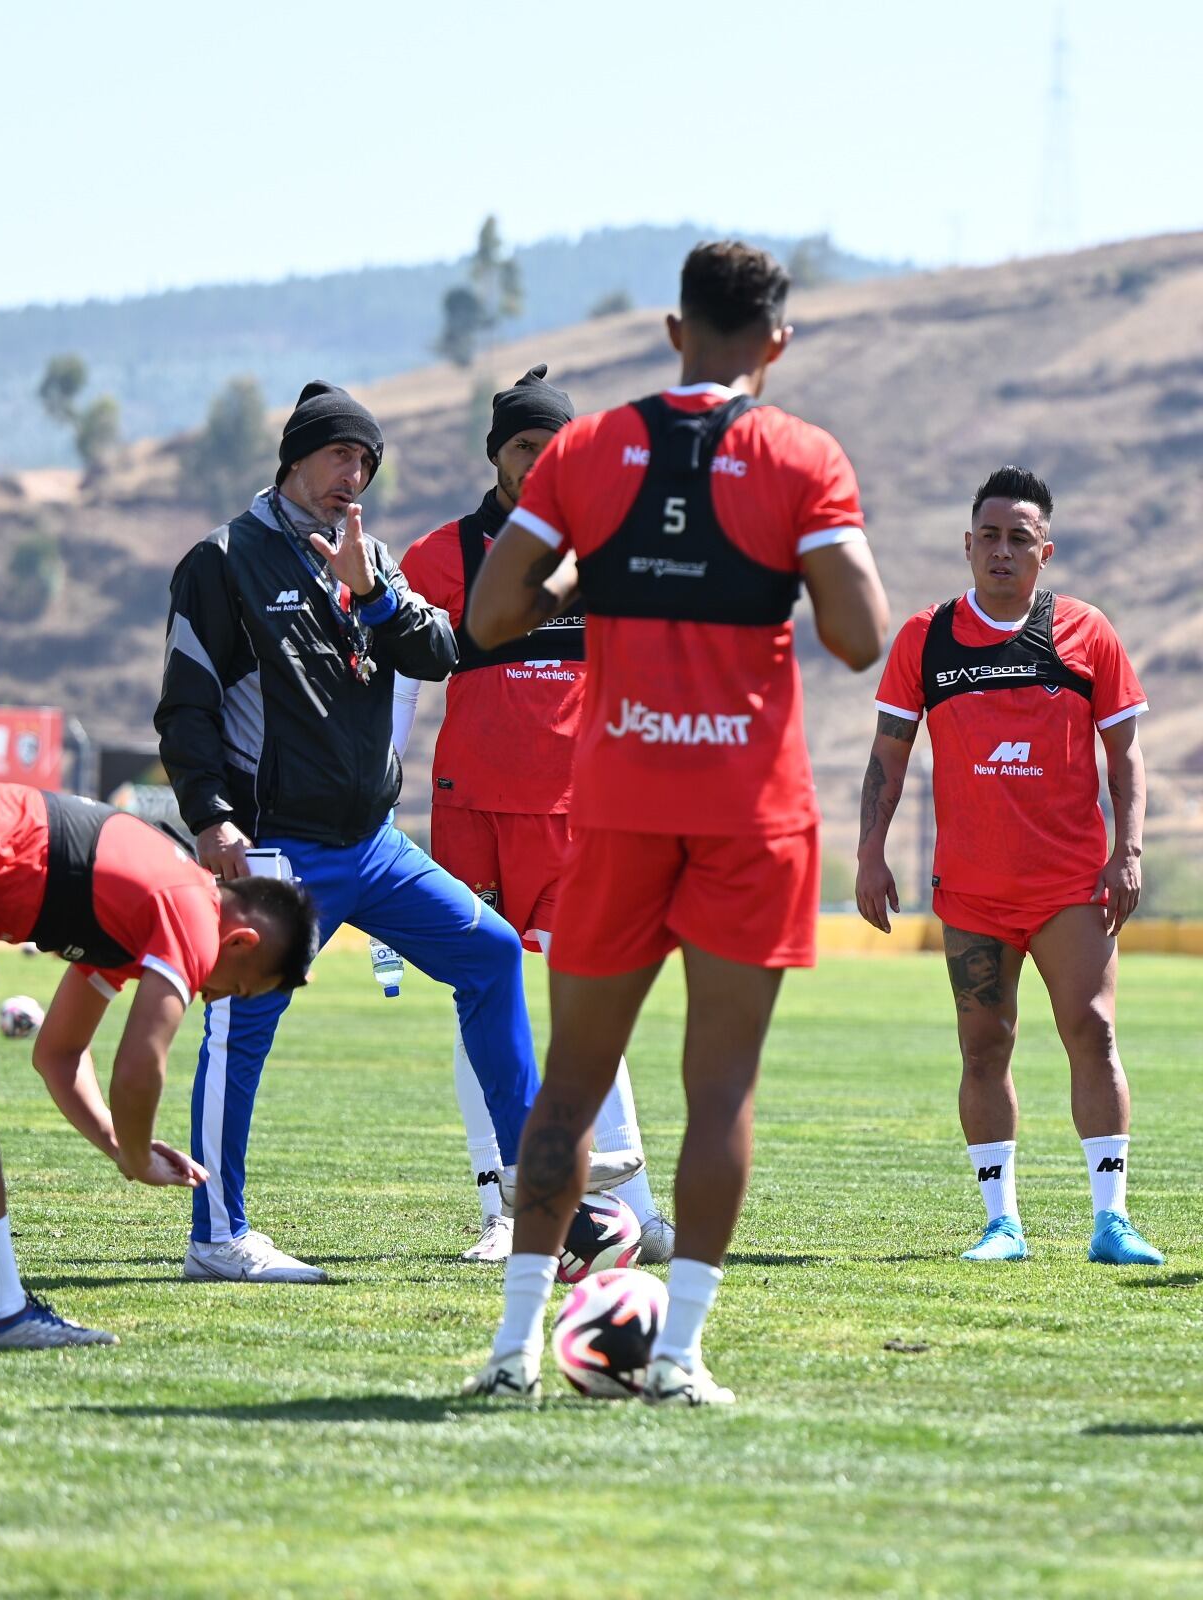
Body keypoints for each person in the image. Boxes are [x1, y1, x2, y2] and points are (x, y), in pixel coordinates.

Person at [458, 240, 889, 1403]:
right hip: (749, 816)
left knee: (568, 1083)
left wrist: (590, 574)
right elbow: (859, 635)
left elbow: (492, 614)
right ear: (776, 344)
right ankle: (680, 1354)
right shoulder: (798, 455)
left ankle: (507, 1355)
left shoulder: (591, 447)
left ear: (670, 331)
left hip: (615, 805)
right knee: (720, 1091)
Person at [155, 381, 638, 1284]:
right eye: (341, 455)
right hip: (277, 846)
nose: (355, 475)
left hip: (372, 845)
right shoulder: (223, 561)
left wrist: (372, 591)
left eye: (367, 462)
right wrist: (211, 817)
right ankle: (217, 1235)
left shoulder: (368, 555)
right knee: (239, 1027)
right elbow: (185, 710)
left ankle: (538, 1193)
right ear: (296, 457)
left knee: (491, 956)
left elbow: (437, 650)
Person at [396, 364, 673, 1265]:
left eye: (556, 443)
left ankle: (632, 1207)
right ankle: (502, 1210)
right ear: (497, 455)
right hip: (471, 812)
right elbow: (399, 683)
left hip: (582, 817)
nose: (541, 458)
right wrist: (377, 791)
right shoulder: (440, 557)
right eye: (525, 444)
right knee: (486, 999)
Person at [855, 465, 1164, 1268]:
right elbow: (890, 752)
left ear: (1045, 550)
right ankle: (1002, 1224)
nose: (1001, 551)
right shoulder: (926, 638)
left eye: (1017, 538)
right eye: (988, 536)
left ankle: (1112, 1221)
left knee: (1091, 1034)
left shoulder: (1087, 632)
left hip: (1070, 888)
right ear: (967, 545)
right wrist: (869, 852)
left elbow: (1126, 758)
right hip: (973, 895)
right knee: (983, 1045)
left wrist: (1127, 851)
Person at [0, 780, 317, 1349]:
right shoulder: (193, 911)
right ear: (240, 943)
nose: (220, 997)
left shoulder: (142, 912)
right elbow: (139, 1065)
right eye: (244, 989)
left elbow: (57, 1054)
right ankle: (1, 1314)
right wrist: (135, 1157)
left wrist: (118, 1145)